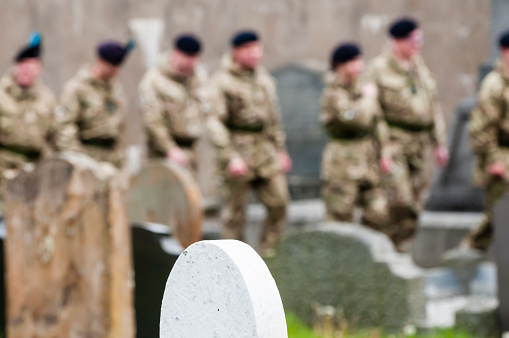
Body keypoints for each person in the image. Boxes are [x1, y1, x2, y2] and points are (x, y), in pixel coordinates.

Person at [206, 30, 292, 256]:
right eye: (248, 49)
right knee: (235, 215)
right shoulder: (222, 82)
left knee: (279, 202)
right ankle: (237, 262)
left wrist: (280, 150)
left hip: (264, 152)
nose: (254, 54)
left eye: (257, 48)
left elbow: (274, 119)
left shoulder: (263, 79)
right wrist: (230, 156)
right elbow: (215, 122)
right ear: (236, 52)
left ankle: (269, 254)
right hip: (238, 152)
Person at [366, 18, 449, 249]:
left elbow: (433, 107)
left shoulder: (419, 68)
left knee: (414, 204)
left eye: (420, 39)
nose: (418, 45)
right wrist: (384, 150)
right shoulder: (378, 69)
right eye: (414, 40)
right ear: (398, 41)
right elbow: (375, 114)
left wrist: (439, 144)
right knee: (399, 201)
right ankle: (383, 250)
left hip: (418, 147)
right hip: (394, 145)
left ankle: (402, 252)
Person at [320, 42, 391, 230]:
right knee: (340, 218)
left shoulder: (362, 88)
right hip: (342, 163)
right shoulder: (333, 92)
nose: (359, 65)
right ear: (340, 65)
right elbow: (353, 119)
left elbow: (377, 121)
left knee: (378, 214)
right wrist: (368, 98)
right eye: (353, 61)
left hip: (368, 161)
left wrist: (385, 152)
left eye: (360, 60)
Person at [57, 39, 135, 168]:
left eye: (118, 68)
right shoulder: (78, 88)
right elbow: (65, 125)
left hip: (112, 159)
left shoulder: (116, 90)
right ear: (101, 61)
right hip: (86, 155)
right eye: (112, 67)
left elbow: (121, 127)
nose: (116, 72)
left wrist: (122, 160)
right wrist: (76, 159)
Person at [464, 30, 509, 251]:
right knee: (496, 215)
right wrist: (494, 161)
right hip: (500, 157)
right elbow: (481, 129)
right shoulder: (494, 85)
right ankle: (468, 253)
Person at [0, 32, 57, 205]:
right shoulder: (2, 96)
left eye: (32, 66)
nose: (27, 70)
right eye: (23, 65)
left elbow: (56, 138)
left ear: (39, 68)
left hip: (34, 174)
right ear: (16, 66)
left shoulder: (47, 100)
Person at [139, 34, 207, 173]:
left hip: (191, 151)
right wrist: (170, 149)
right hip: (162, 153)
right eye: (187, 57)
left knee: (189, 193)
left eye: (194, 57)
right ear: (176, 53)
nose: (191, 62)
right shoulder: (155, 80)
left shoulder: (198, 78)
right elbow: (152, 119)